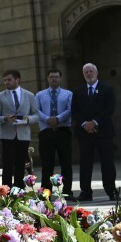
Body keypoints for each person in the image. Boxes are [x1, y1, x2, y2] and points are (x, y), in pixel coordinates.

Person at [73, 62, 118, 202]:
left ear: (97, 73)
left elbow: (109, 109)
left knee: (107, 163)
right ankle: (86, 192)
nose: (89, 74)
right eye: (86, 72)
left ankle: (111, 191)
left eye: (91, 71)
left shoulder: (107, 89)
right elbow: (75, 111)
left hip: (104, 132)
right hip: (84, 133)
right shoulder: (78, 91)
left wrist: (95, 122)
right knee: (85, 163)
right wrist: (85, 124)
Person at [0, 69, 38, 188]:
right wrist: (4, 119)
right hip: (7, 135)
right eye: (4, 80)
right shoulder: (0, 96)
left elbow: (36, 115)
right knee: (8, 165)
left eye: (9, 80)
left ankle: (19, 191)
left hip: (23, 134)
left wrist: (27, 119)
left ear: (17, 80)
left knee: (20, 165)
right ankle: (6, 191)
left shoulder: (29, 95)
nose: (6, 82)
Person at [36, 68, 74, 199]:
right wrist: (47, 119)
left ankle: (67, 192)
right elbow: (37, 110)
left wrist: (58, 118)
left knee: (66, 163)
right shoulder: (40, 95)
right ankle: (46, 193)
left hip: (63, 131)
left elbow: (70, 110)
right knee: (47, 164)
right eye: (51, 77)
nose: (54, 79)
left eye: (56, 77)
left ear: (60, 78)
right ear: (47, 78)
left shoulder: (68, 94)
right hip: (46, 132)